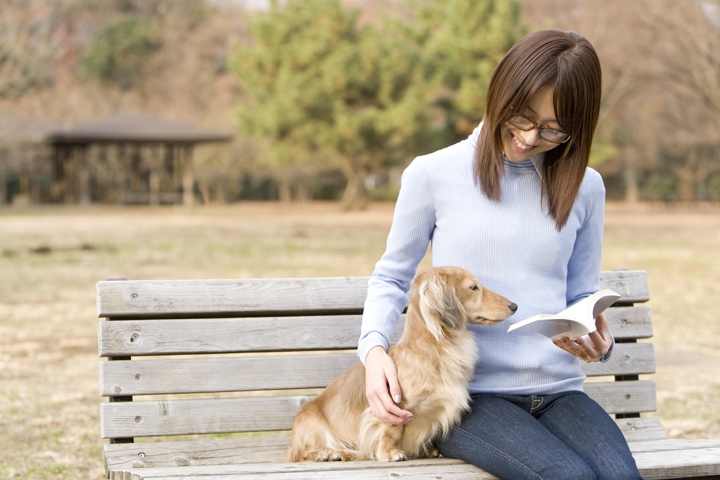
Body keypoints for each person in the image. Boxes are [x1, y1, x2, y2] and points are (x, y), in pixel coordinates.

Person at [357, 29, 643, 480]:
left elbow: (582, 293)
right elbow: (392, 279)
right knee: (568, 477)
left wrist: (599, 344)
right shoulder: (432, 174)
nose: (530, 137)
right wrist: (373, 353)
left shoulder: (586, 187)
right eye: (523, 116)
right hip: (468, 395)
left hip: (560, 391)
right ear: (501, 93)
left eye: (553, 128)